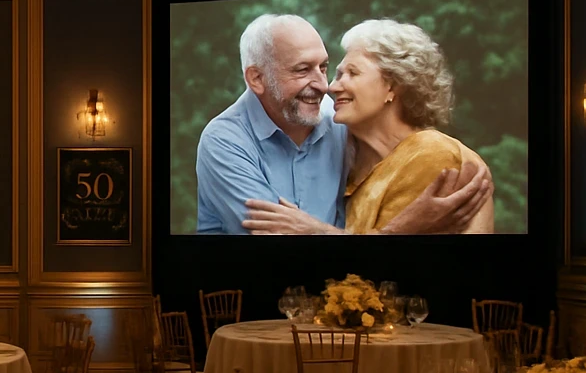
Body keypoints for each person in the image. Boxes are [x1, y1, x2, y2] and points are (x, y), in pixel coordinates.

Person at [196, 13, 491, 235]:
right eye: (302, 70)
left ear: (393, 87)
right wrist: (400, 231)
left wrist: (317, 231)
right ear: (257, 79)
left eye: (326, 68)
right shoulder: (225, 141)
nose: (327, 86)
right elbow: (277, 247)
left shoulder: (341, 124)